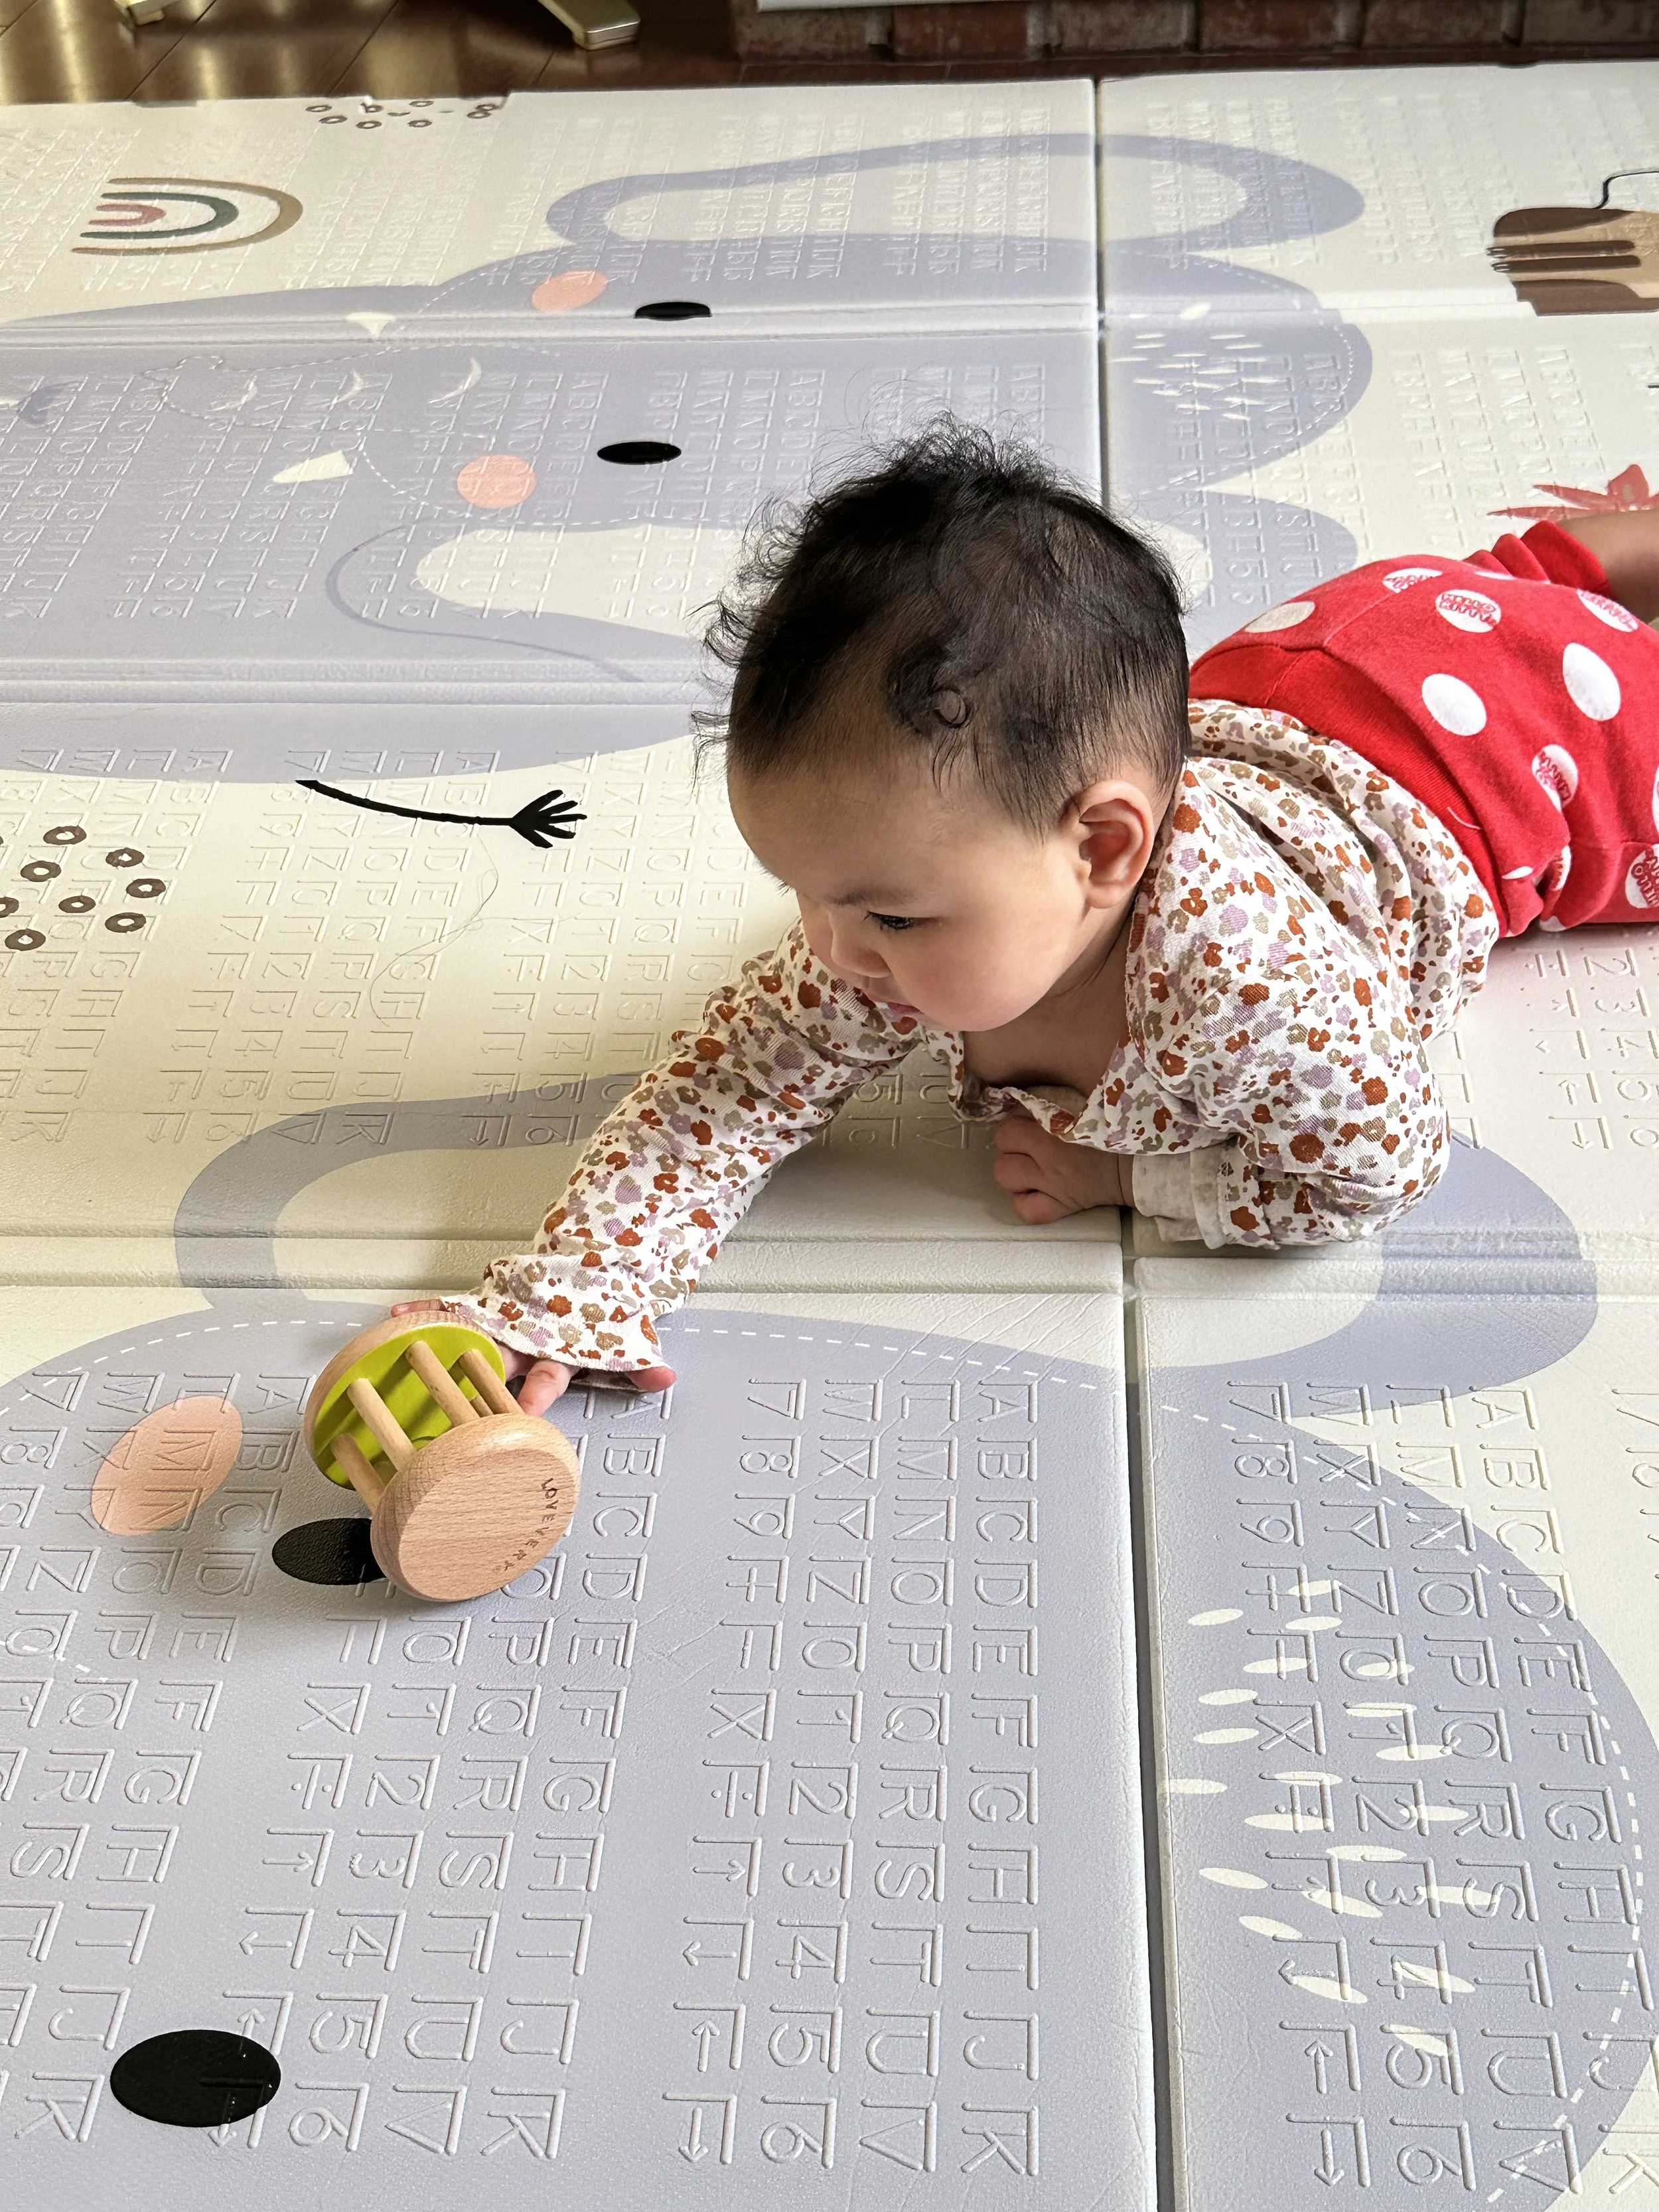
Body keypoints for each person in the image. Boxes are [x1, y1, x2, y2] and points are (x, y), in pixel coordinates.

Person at [396, 421, 1659, 1412]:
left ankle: (1599, 567)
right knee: (1483, 594)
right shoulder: (915, 902)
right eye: (806, 894)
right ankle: (1566, 567)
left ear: (1104, 849)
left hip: (1521, 765)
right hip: (1307, 675)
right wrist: (574, 1291)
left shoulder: (1254, 996)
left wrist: (1132, 1175)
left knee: (1559, 644)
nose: (830, 952)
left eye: (886, 912)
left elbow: (1385, 1165)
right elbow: (725, 1090)